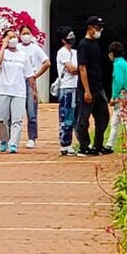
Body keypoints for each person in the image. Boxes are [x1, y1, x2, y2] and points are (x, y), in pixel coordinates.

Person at [75, 15, 111, 155]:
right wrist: (86, 90)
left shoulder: (95, 44)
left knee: (103, 116)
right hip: (87, 88)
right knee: (83, 119)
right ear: (90, 28)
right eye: (97, 28)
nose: (99, 31)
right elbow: (82, 68)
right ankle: (84, 146)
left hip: (98, 86)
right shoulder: (84, 45)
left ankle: (98, 144)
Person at [0, 29, 27, 154]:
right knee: (1, 119)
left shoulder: (23, 55)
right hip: (3, 90)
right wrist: (3, 46)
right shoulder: (3, 53)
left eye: (14, 36)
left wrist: (34, 90)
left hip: (19, 91)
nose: (13, 39)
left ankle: (14, 143)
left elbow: (29, 74)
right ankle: (3, 140)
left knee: (17, 119)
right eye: (10, 37)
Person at [105, 41, 127, 152]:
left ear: (111, 54)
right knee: (115, 121)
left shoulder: (117, 65)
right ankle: (109, 144)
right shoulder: (125, 63)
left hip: (121, 94)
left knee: (126, 120)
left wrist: (114, 96)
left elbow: (118, 81)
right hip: (126, 93)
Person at [19, 26, 50, 149]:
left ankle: (32, 138)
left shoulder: (35, 48)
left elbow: (47, 62)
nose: (26, 35)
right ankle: (12, 137)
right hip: (18, 82)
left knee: (32, 112)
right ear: (19, 35)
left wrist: (35, 75)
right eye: (23, 33)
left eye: (28, 33)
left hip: (30, 82)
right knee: (15, 113)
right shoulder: (17, 48)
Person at [54, 26, 80, 156]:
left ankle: (80, 142)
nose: (72, 37)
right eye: (69, 35)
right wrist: (81, 69)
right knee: (67, 116)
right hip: (67, 88)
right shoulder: (62, 52)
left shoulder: (75, 52)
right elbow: (71, 69)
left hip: (76, 86)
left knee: (77, 117)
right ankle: (65, 144)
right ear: (64, 39)